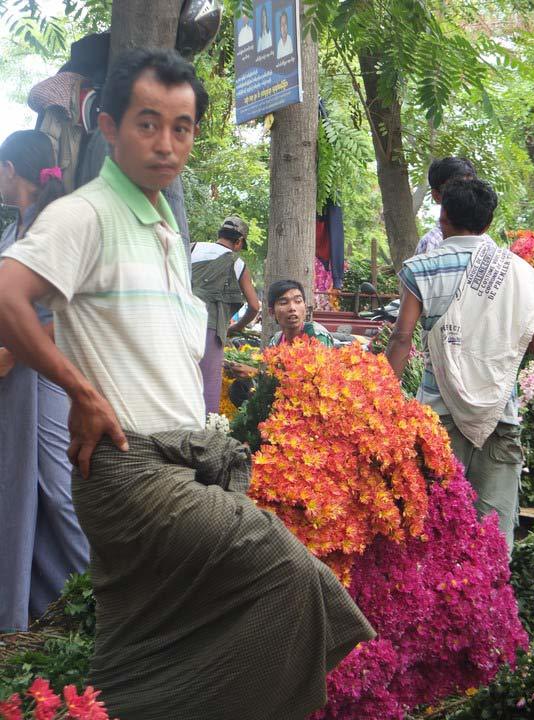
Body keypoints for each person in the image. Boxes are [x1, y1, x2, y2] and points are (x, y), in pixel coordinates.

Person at [0, 48, 374, 720]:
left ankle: (115, 705)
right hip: (131, 466)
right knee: (291, 577)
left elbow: (98, 321)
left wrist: (85, 362)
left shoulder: (168, 231)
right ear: (110, 128)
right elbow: (9, 296)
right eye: (148, 124)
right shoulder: (84, 214)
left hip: (183, 455)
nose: (166, 144)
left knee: (143, 641)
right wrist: (81, 392)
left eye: (182, 127)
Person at [386, 178, 534, 552]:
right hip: (498, 417)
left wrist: (385, 400)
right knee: (493, 534)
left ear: (443, 217)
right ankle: (490, 607)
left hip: (438, 419)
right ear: (488, 223)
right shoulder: (522, 274)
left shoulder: (422, 268)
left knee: (434, 527)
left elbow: (402, 338)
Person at [0, 130, 89, 632]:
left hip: (47, 376)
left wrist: (17, 350)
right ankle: (42, 610)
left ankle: (102, 605)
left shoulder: (54, 226)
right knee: (20, 489)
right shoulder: (15, 229)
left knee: (58, 490)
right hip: (14, 384)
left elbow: (73, 308)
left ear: (12, 169)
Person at [191, 215, 259, 414]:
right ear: (238, 242)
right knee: (207, 387)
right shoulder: (237, 263)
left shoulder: (193, 247)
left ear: (220, 235)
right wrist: (236, 327)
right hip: (211, 328)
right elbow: (254, 306)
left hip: (179, 323)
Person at [416, 157, 493, 254]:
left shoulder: (487, 243)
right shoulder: (431, 243)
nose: (464, 194)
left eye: (469, 187)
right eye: (454, 189)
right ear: (436, 196)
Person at [268, 279, 334, 347]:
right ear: (272, 312)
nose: (292, 308)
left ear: (305, 307)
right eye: (283, 303)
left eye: (298, 301)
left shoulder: (317, 334)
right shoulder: (275, 341)